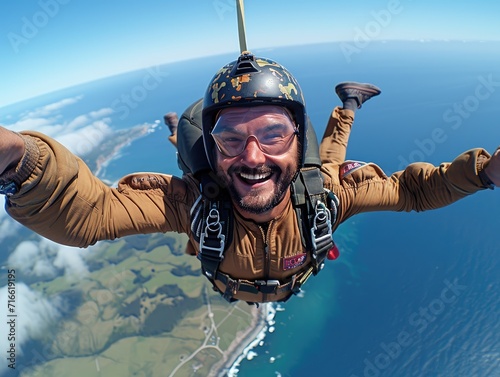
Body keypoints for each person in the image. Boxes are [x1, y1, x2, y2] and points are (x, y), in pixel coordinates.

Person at [1, 52, 498, 304]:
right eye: (231, 138)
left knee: (329, 163)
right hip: (235, 213)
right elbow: (89, 216)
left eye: (274, 133)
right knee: (195, 157)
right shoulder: (195, 202)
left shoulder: (321, 194)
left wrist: (487, 171)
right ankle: (183, 134)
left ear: (295, 142)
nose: (253, 156)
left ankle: (348, 103)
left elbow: (414, 189)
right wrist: (18, 160)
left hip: (308, 182)